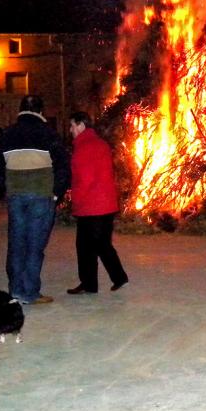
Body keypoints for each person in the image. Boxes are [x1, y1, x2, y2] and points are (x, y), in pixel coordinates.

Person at [0, 95, 70, 305]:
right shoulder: (48, 134)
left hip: (16, 195)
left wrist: (7, 187)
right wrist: (56, 192)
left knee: (17, 243)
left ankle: (16, 290)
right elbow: (63, 166)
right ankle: (30, 292)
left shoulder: (7, 134)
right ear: (40, 112)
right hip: (41, 194)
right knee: (35, 245)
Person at [65, 112, 128, 295]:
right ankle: (115, 279)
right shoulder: (101, 144)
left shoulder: (83, 147)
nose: (70, 130)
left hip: (91, 205)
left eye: (72, 126)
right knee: (101, 244)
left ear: (81, 125)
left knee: (86, 247)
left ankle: (92, 283)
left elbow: (84, 179)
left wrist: (75, 201)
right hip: (105, 204)